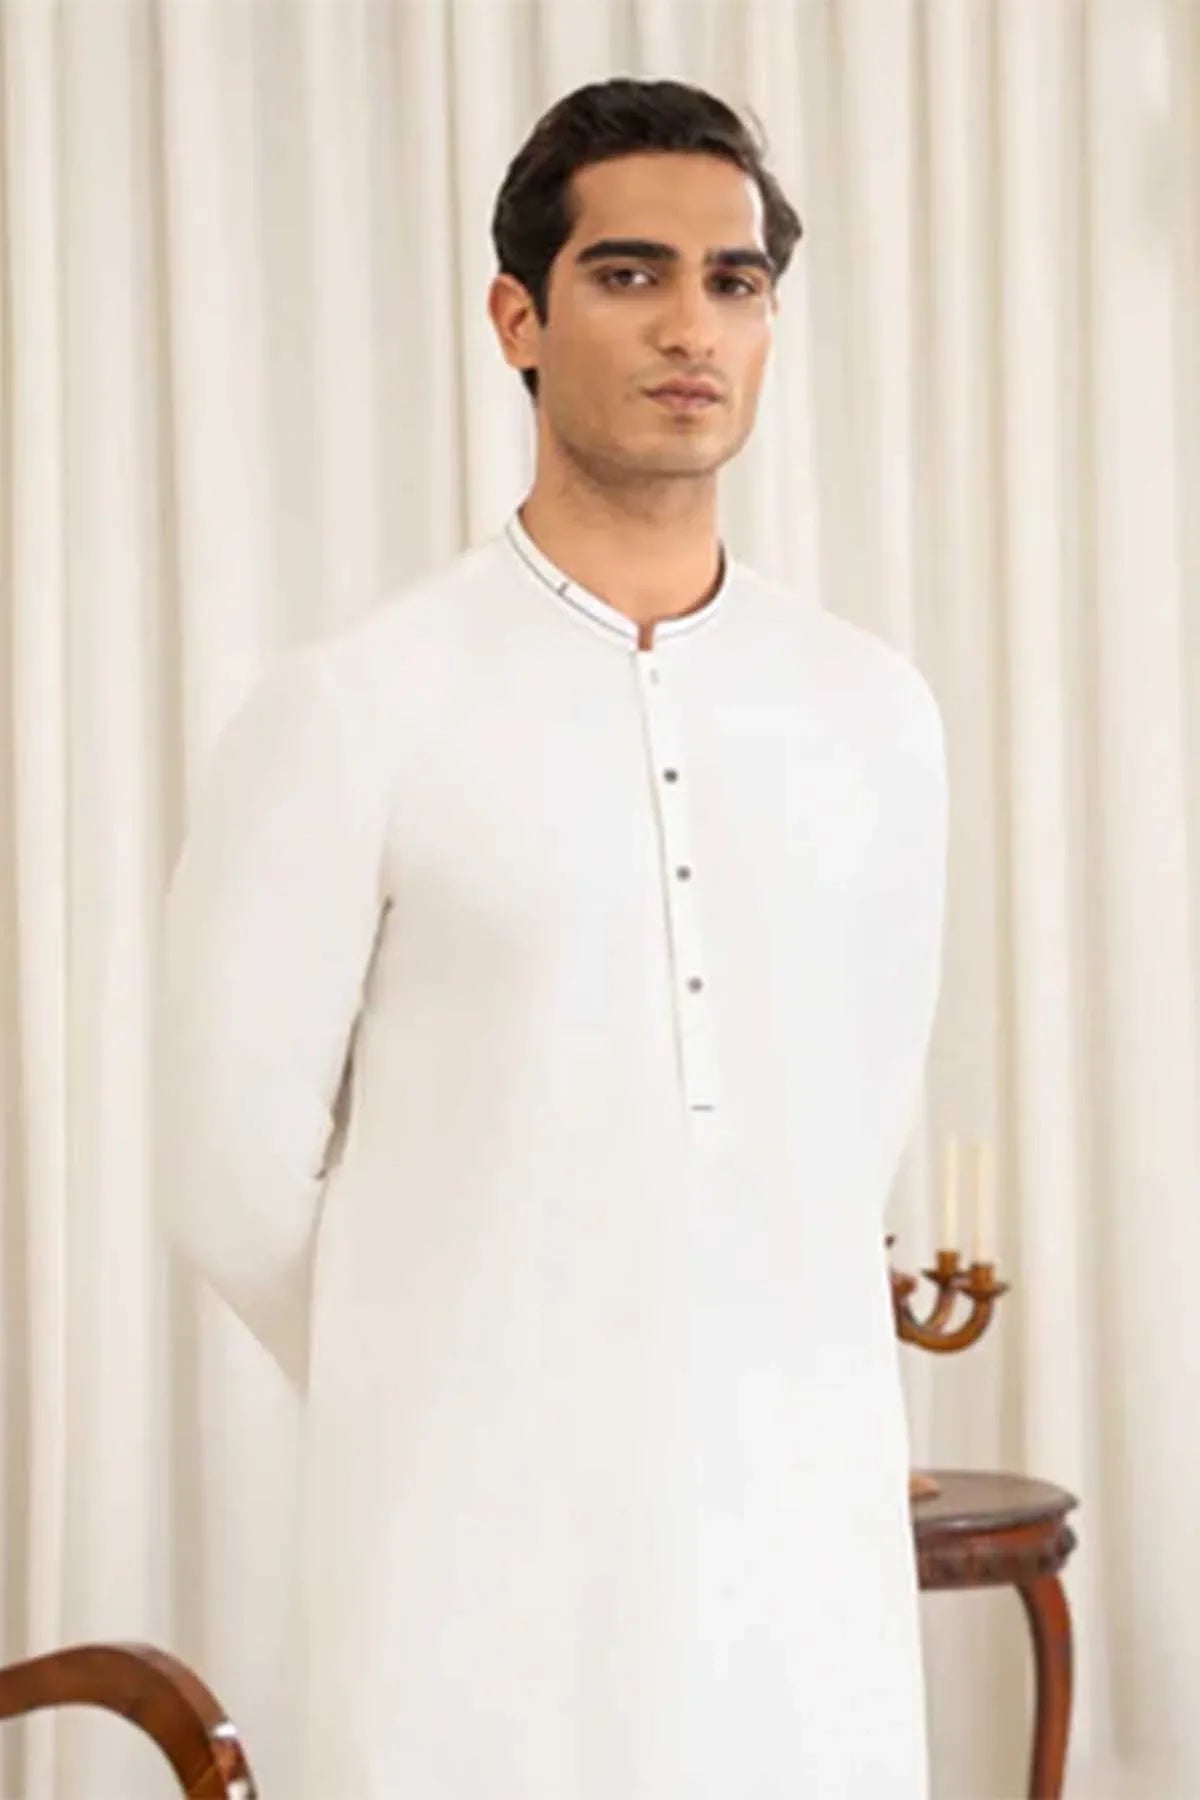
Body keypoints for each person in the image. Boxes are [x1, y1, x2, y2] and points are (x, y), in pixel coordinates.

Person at [156, 76, 948, 1799]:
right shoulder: (359, 704)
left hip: (798, 1552)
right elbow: (224, 1170)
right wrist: (454, 1359)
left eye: (735, 282)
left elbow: (855, 1122)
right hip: (462, 1566)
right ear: (517, 317)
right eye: (630, 273)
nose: (691, 326)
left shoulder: (871, 713)